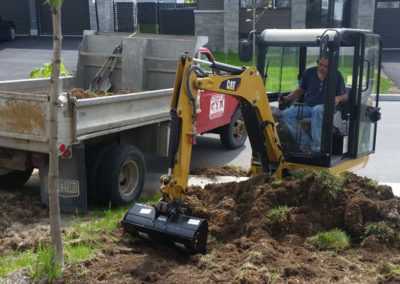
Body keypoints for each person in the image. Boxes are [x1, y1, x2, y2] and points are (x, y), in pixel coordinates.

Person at [279, 57, 348, 152]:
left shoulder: (337, 75)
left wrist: (338, 98)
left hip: (326, 108)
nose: (322, 68)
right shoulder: (309, 73)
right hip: (309, 107)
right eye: (320, 64)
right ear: (317, 63)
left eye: (326, 66)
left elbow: (345, 96)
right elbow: (300, 90)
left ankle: (316, 148)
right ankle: (305, 143)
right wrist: (286, 98)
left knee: (317, 110)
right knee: (286, 113)